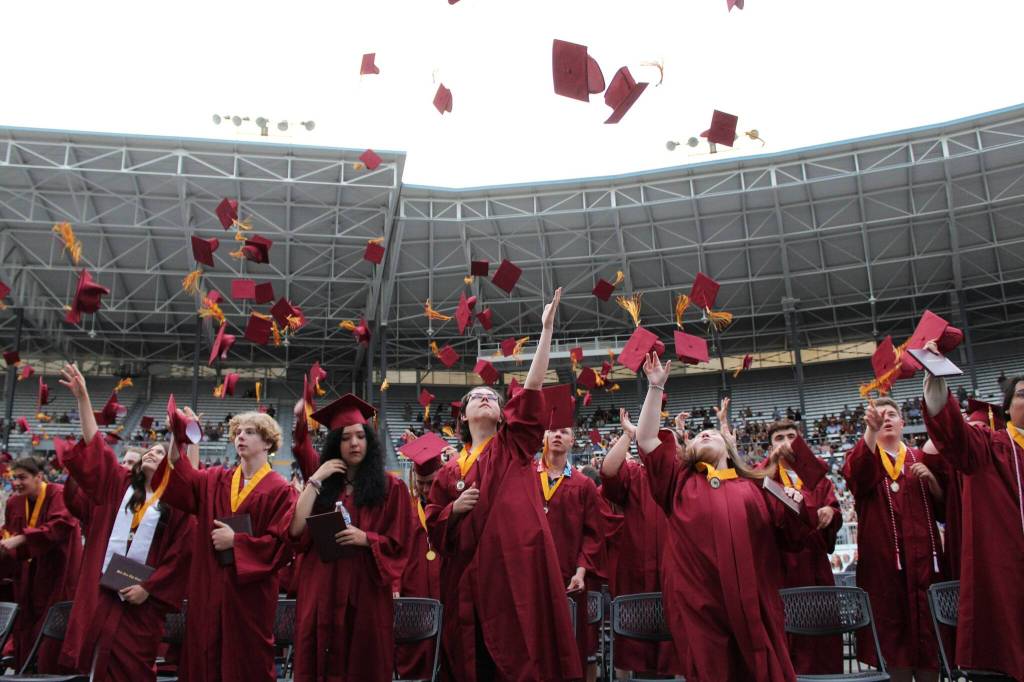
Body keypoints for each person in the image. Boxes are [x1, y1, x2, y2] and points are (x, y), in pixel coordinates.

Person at [425, 288, 581, 682]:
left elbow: (530, 391)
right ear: (462, 418)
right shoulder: (447, 473)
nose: (483, 399)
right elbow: (432, 525)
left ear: (501, 415)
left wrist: (545, 332)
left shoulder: (513, 446)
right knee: (472, 662)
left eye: (491, 397)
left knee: (520, 659)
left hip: (513, 573)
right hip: (466, 582)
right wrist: (452, 512)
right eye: (474, 396)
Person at [635, 351, 816, 682]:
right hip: (699, 606)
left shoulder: (757, 486)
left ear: (730, 447)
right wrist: (655, 387)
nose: (705, 433)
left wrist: (796, 504)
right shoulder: (678, 482)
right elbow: (646, 439)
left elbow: (792, 536)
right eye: (700, 435)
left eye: (713, 434)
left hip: (754, 604)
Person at [55, 363, 195, 681]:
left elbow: (181, 555)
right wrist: (83, 399)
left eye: (160, 453)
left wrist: (149, 588)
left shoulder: (176, 506)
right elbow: (96, 448)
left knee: (132, 670)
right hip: (102, 592)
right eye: (149, 449)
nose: (151, 453)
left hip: (141, 605)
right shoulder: (118, 484)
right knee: (93, 665)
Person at [152, 405, 295, 682]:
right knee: (204, 656)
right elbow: (181, 478)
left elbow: (282, 546)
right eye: (238, 432)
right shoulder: (216, 479)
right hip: (209, 590)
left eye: (250, 432)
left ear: (267, 442)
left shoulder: (280, 489)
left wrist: (237, 542)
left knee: (246, 661)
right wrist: (178, 437)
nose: (241, 436)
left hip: (248, 597)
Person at [287, 394, 414, 681]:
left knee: (363, 662)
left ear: (370, 441)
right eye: (345, 438)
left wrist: (367, 538)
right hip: (322, 589)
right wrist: (315, 481)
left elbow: (400, 543)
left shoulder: (391, 488)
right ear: (335, 444)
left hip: (366, 593)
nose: (354, 443)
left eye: (360, 436)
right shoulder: (322, 487)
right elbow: (295, 530)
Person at [920, 348, 1023, 681]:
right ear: (1007, 408)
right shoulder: (992, 447)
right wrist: (936, 375)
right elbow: (954, 435)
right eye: (1023, 394)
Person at [842, 397, 946, 682]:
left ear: (903, 422)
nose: (886, 418)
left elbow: (944, 509)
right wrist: (870, 433)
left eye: (892, 414)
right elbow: (856, 478)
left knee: (928, 636)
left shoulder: (920, 459)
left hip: (925, 565)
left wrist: (934, 483)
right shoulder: (864, 456)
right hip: (885, 569)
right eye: (881, 415)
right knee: (893, 641)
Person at [760, 418, 844, 675]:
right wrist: (770, 464)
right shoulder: (762, 476)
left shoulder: (817, 479)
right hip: (780, 570)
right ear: (770, 446)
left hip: (815, 569)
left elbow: (834, 508)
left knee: (821, 644)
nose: (786, 442)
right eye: (779, 438)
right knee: (785, 641)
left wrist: (831, 511)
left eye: (791, 436)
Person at [600, 409, 677, 678]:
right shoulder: (634, 473)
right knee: (630, 639)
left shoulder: (680, 475)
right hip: (635, 565)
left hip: (675, 567)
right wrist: (627, 435)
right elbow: (608, 472)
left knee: (678, 639)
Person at [538, 419, 606, 682]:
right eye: (552, 430)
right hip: (532, 576)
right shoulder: (525, 477)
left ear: (572, 441)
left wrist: (580, 572)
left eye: (564, 431)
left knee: (570, 648)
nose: (557, 434)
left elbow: (593, 535)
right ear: (543, 438)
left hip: (571, 579)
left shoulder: (583, 485)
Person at [0, 455, 82, 672]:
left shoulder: (60, 494)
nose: (16, 483)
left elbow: (61, 525)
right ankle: (24, 670)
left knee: (52, 628)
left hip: (57, 572)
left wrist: (23, 538)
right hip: (28, 576)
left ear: (39, 477)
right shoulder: (13, 502)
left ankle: (51, 672)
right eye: (13, 478)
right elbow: (8, 534)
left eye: (22, 477)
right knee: (25, 624)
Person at [395, 439, 452, 680]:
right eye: (421, 484)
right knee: (416, 651)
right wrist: (395, 585)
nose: (427, 490)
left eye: (431, 483)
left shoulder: (452, 505)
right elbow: (393, 550)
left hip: (447, 586)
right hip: (414, 588)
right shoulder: (406, 509)